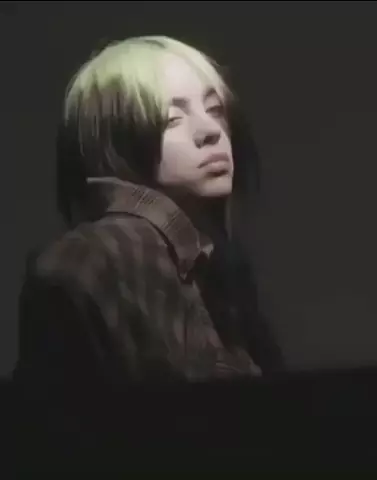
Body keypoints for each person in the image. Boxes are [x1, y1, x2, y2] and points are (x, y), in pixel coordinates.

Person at [14, 35, 284, 390]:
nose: (210, 131)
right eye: (172, 119)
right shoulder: (94, 259)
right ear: (117, 139)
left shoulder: (219, 272)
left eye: (215, 110)